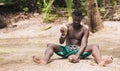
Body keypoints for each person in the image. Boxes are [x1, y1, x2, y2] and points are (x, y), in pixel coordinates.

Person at [33, 9, 113, 66]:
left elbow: (84, 44)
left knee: (95, 46)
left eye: (78, 20)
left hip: (80, 50)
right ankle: (44, 61)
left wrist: (78, 55)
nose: (76, 21)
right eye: (75, 19)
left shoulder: (85, 30)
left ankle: (100, 62)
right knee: (50, 45)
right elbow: (61, 42)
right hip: (67, 49)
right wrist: (63, 34)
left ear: (81, 18)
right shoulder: (67, 27)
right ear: (72, 17)